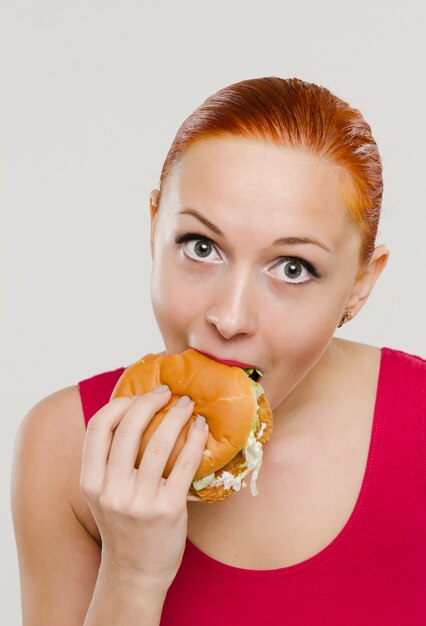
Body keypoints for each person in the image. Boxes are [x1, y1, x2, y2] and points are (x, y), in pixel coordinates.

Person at [11, 77, 425, 625]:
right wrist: (132, 575)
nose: (229, 318)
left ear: (360, 285)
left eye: (293, 268)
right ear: (154, 227)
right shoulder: (63, 448)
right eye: (201, 247)